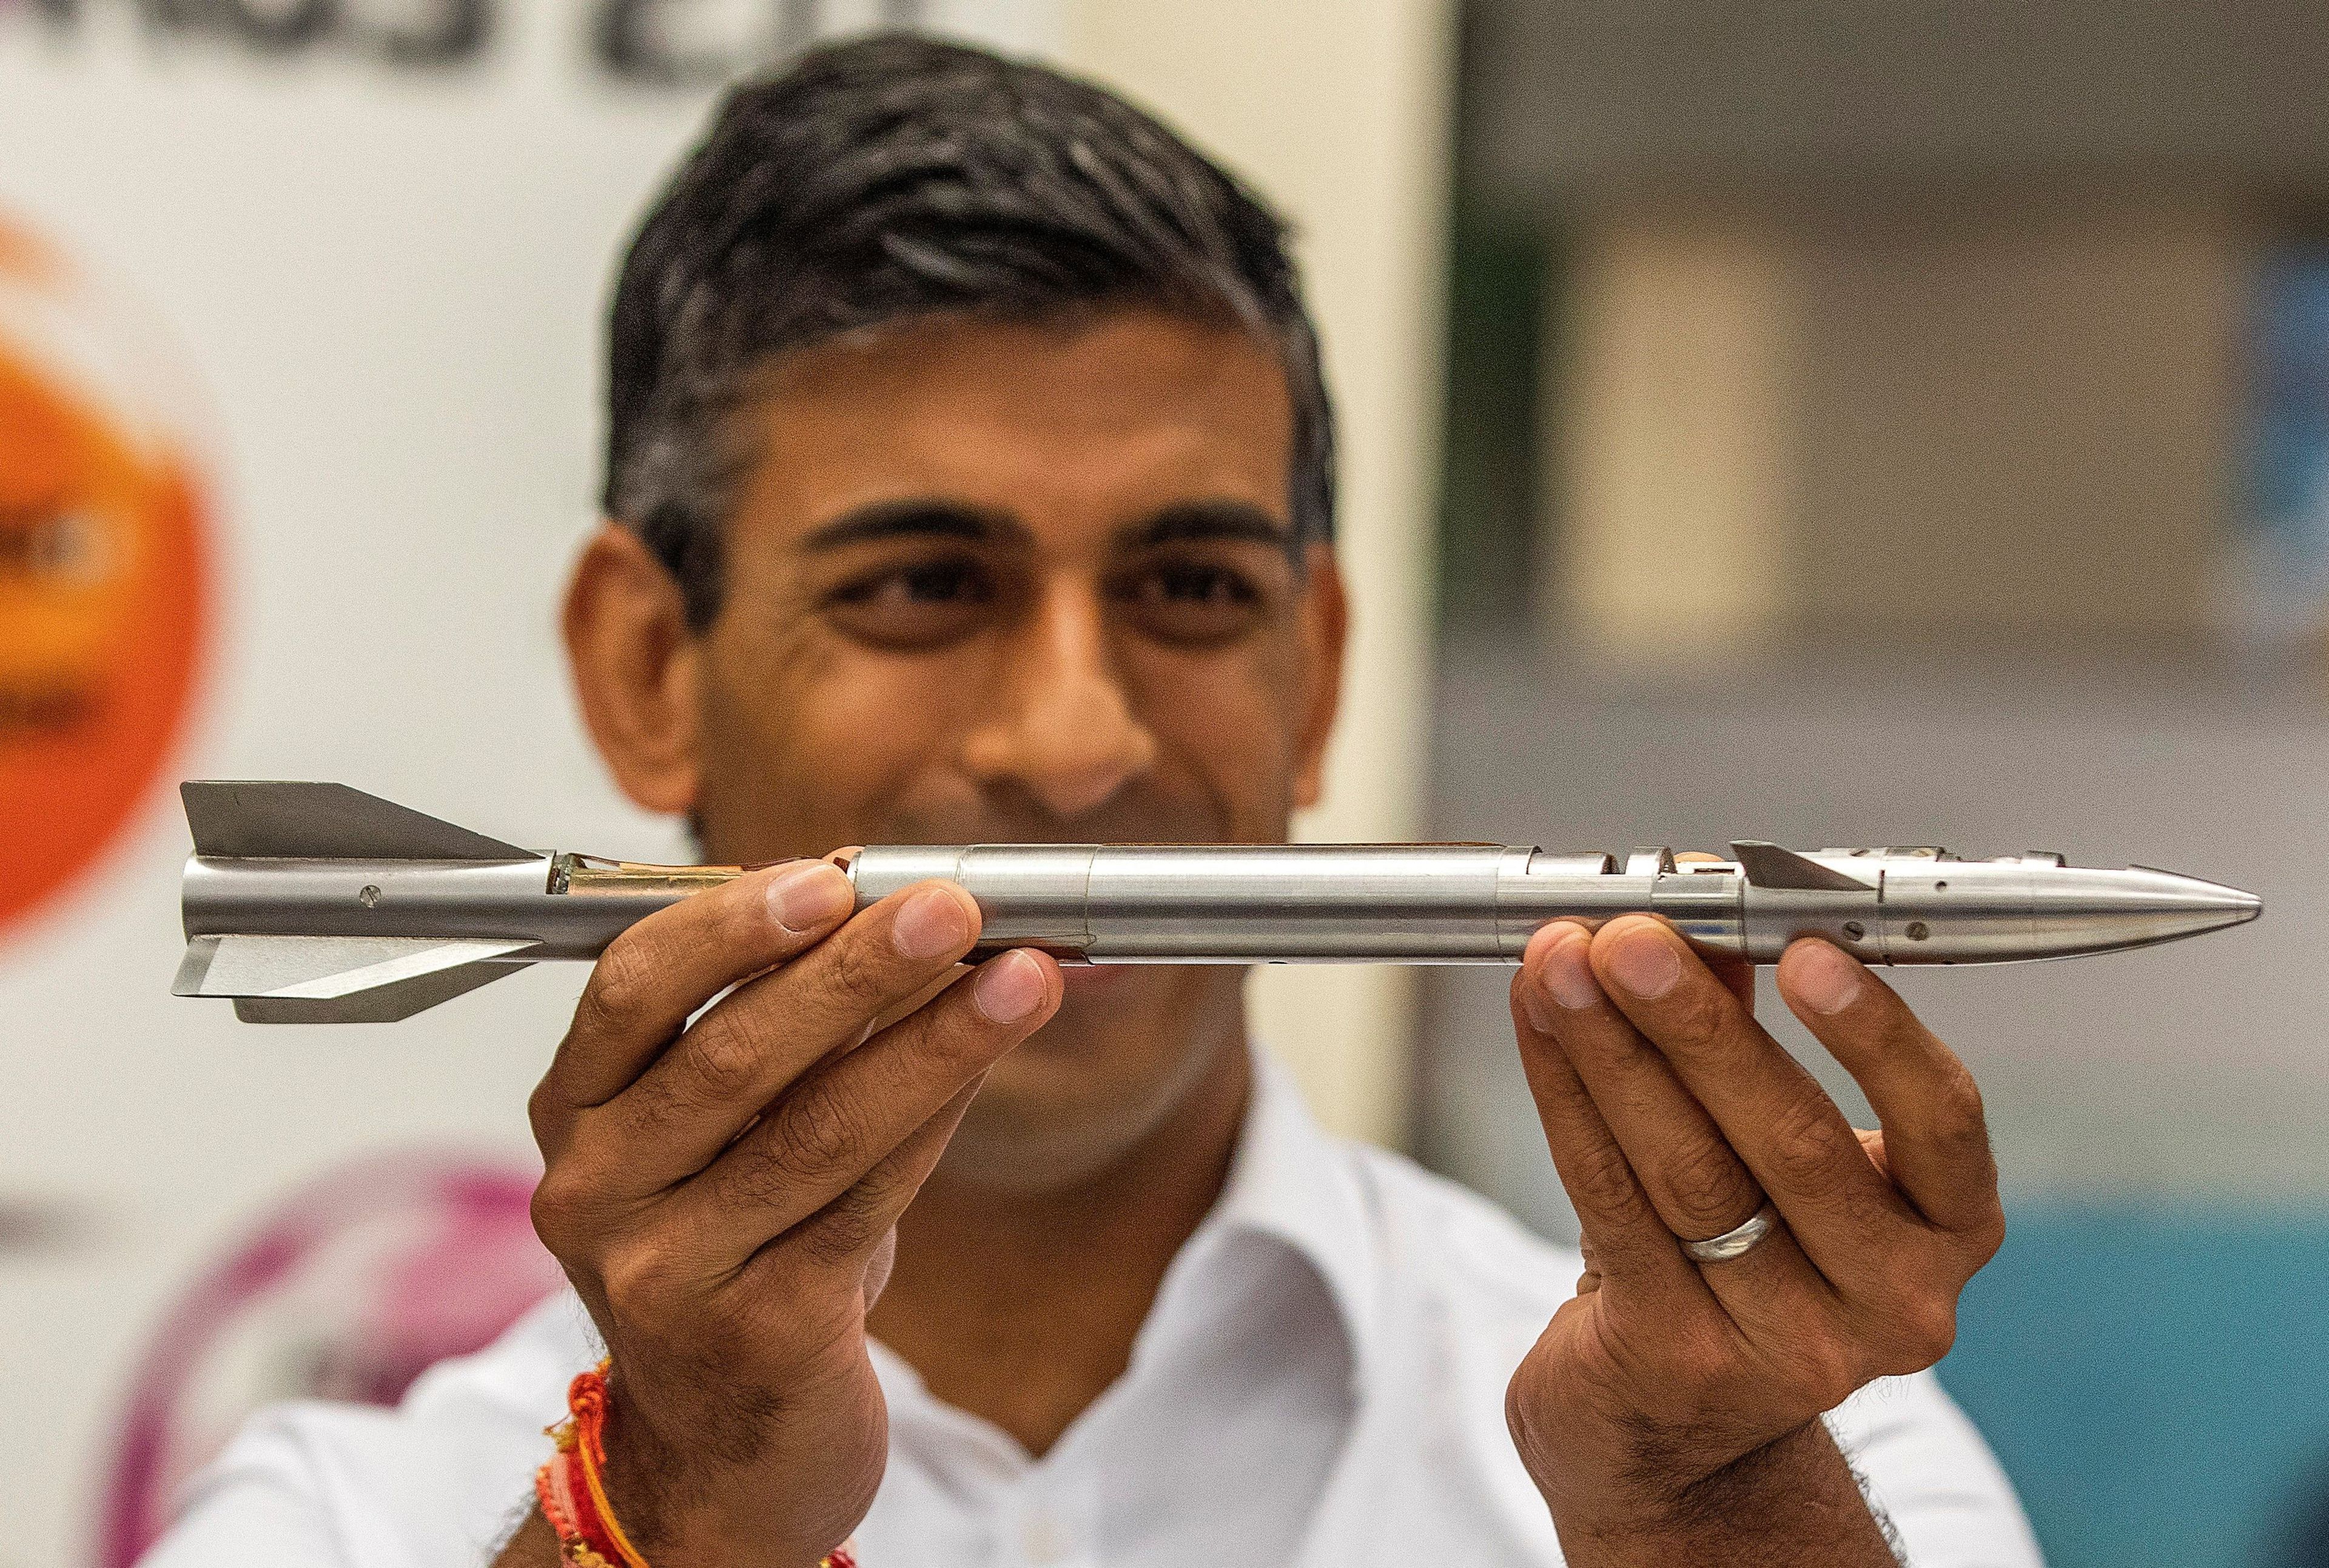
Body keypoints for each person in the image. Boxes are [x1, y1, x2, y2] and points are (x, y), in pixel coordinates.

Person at [142, 34, 2041, 1568]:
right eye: (924, 584)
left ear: (1319, 666)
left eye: (1191, 587)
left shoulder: (1791, 1441)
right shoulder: (349, 1518)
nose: (1076, 742)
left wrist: (1706, 1516)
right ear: (649, 665)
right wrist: (679, 1511)